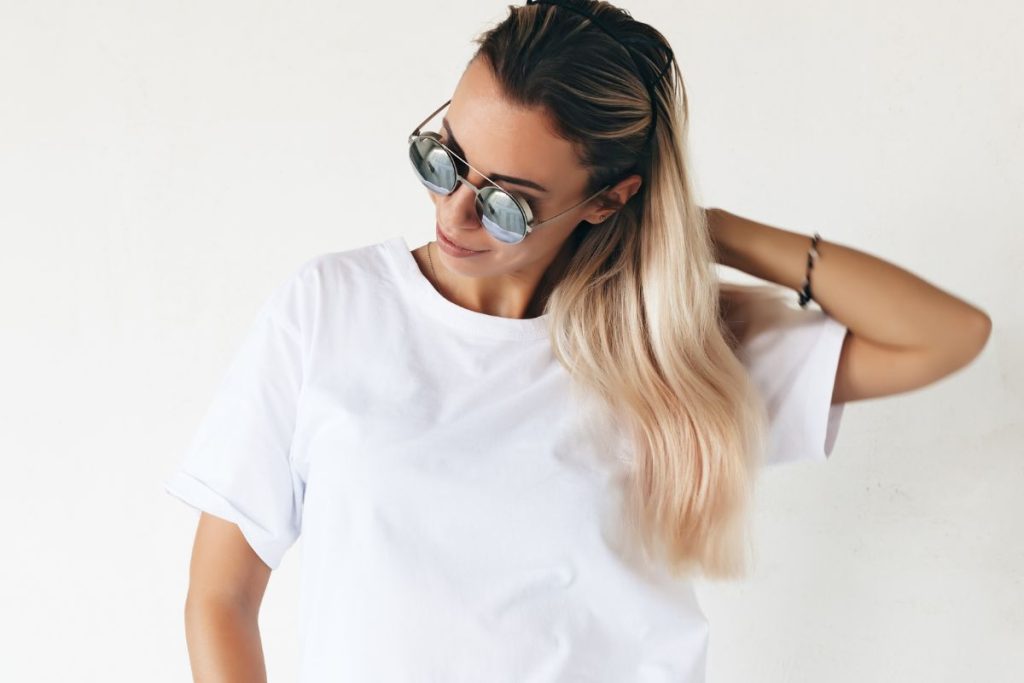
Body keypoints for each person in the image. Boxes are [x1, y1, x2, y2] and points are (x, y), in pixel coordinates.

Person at [163, 1, 992, 680]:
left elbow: (945, 335)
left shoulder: (664, 343)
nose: (454, 211)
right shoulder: (331, 307)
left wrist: (709, 231)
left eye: (507, 203)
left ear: (607, 199)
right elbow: (220, 596)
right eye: (446, 157)